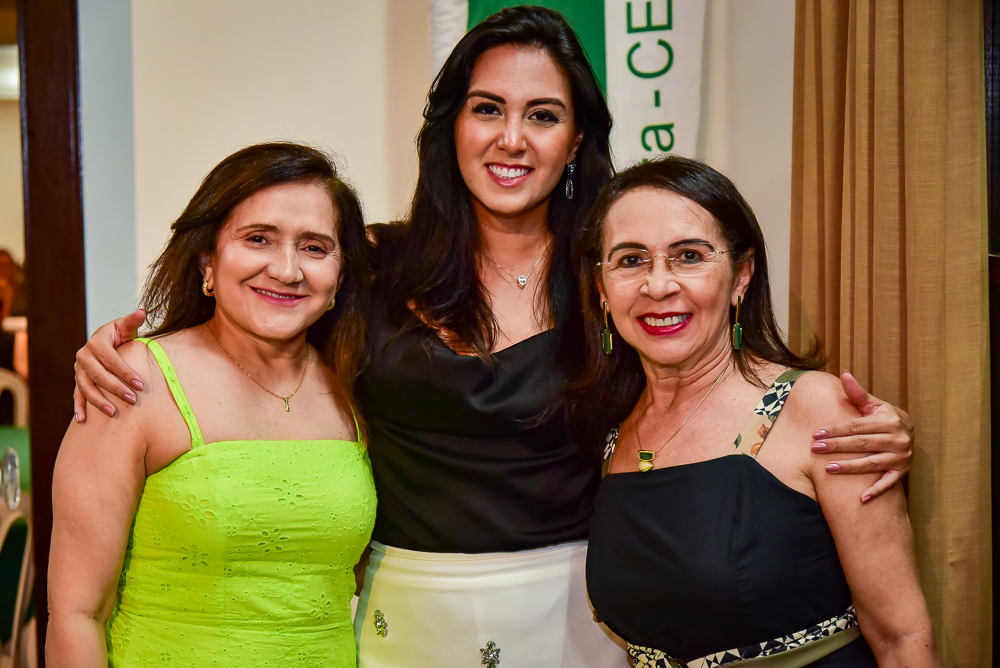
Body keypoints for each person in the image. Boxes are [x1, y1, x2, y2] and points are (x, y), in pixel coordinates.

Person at [69, 7, 915, 667]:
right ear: (452, 125)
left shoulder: (613, 279)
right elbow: (256, 312)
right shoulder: (371, 264)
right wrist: (119, 355)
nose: (512, 138)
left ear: (576, 139)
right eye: (487, 109)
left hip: (578, 617)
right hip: (404, 619)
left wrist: (847, 424)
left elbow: (714, 374)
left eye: (542, 115)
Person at [580, 157, 939, 667]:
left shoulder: (816, 409)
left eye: (688, 256)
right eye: (631, 260)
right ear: (601, 289)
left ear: (741, 276)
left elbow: (903, 640)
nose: (658, 286)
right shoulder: (611, 430)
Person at [47, 143, 377, 667]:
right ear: (208, 260)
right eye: (258, 239)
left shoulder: (359, 385)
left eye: (314, 248)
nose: (286, 269)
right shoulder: (133, 379)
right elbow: (76, 614)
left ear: (340, 275)